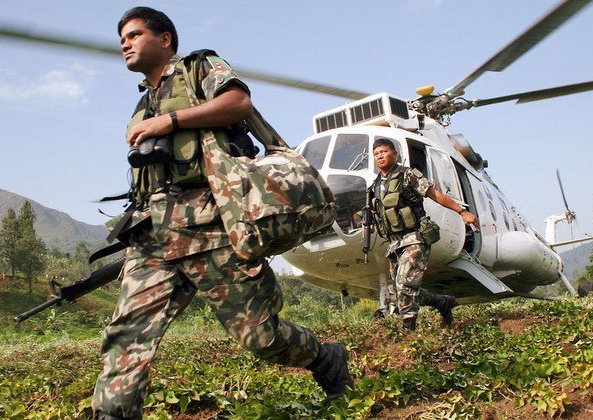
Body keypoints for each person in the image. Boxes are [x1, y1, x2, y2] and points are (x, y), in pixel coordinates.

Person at [92, 7, 352, 419]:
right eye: (122, 37)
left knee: (262, 339)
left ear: (164, 39)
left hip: (211, 228)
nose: (125, 42)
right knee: (127, 334)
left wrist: (169, 122)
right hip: (154, 237)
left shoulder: (198, 68)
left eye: (135, 34)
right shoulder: (143, 103)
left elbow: (238, 102)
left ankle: (325, 359)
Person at [368, 138, 478, 331]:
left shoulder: (407, 175)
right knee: (401, 289)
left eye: (384, 152)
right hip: (394, 243)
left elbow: (434, 194)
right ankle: (442, 302)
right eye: (376, 154)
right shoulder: (376, 185)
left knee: (404, 285)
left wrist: (462, 212)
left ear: (395, 153)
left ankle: (408, 330)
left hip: (414, 237)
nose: (380, 156)